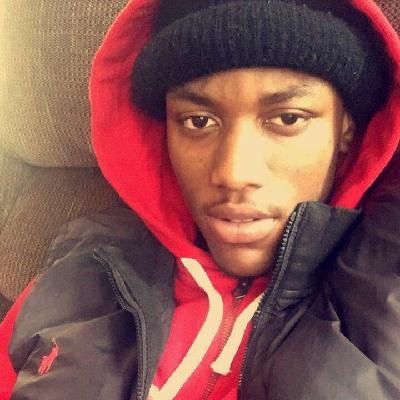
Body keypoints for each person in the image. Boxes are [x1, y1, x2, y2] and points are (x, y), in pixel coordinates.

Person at [1, 0, 400, 399]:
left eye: (288, 118)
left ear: (345, 130)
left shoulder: (383, 292)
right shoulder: (85, 264)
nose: (233, 173)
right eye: (199, 121)